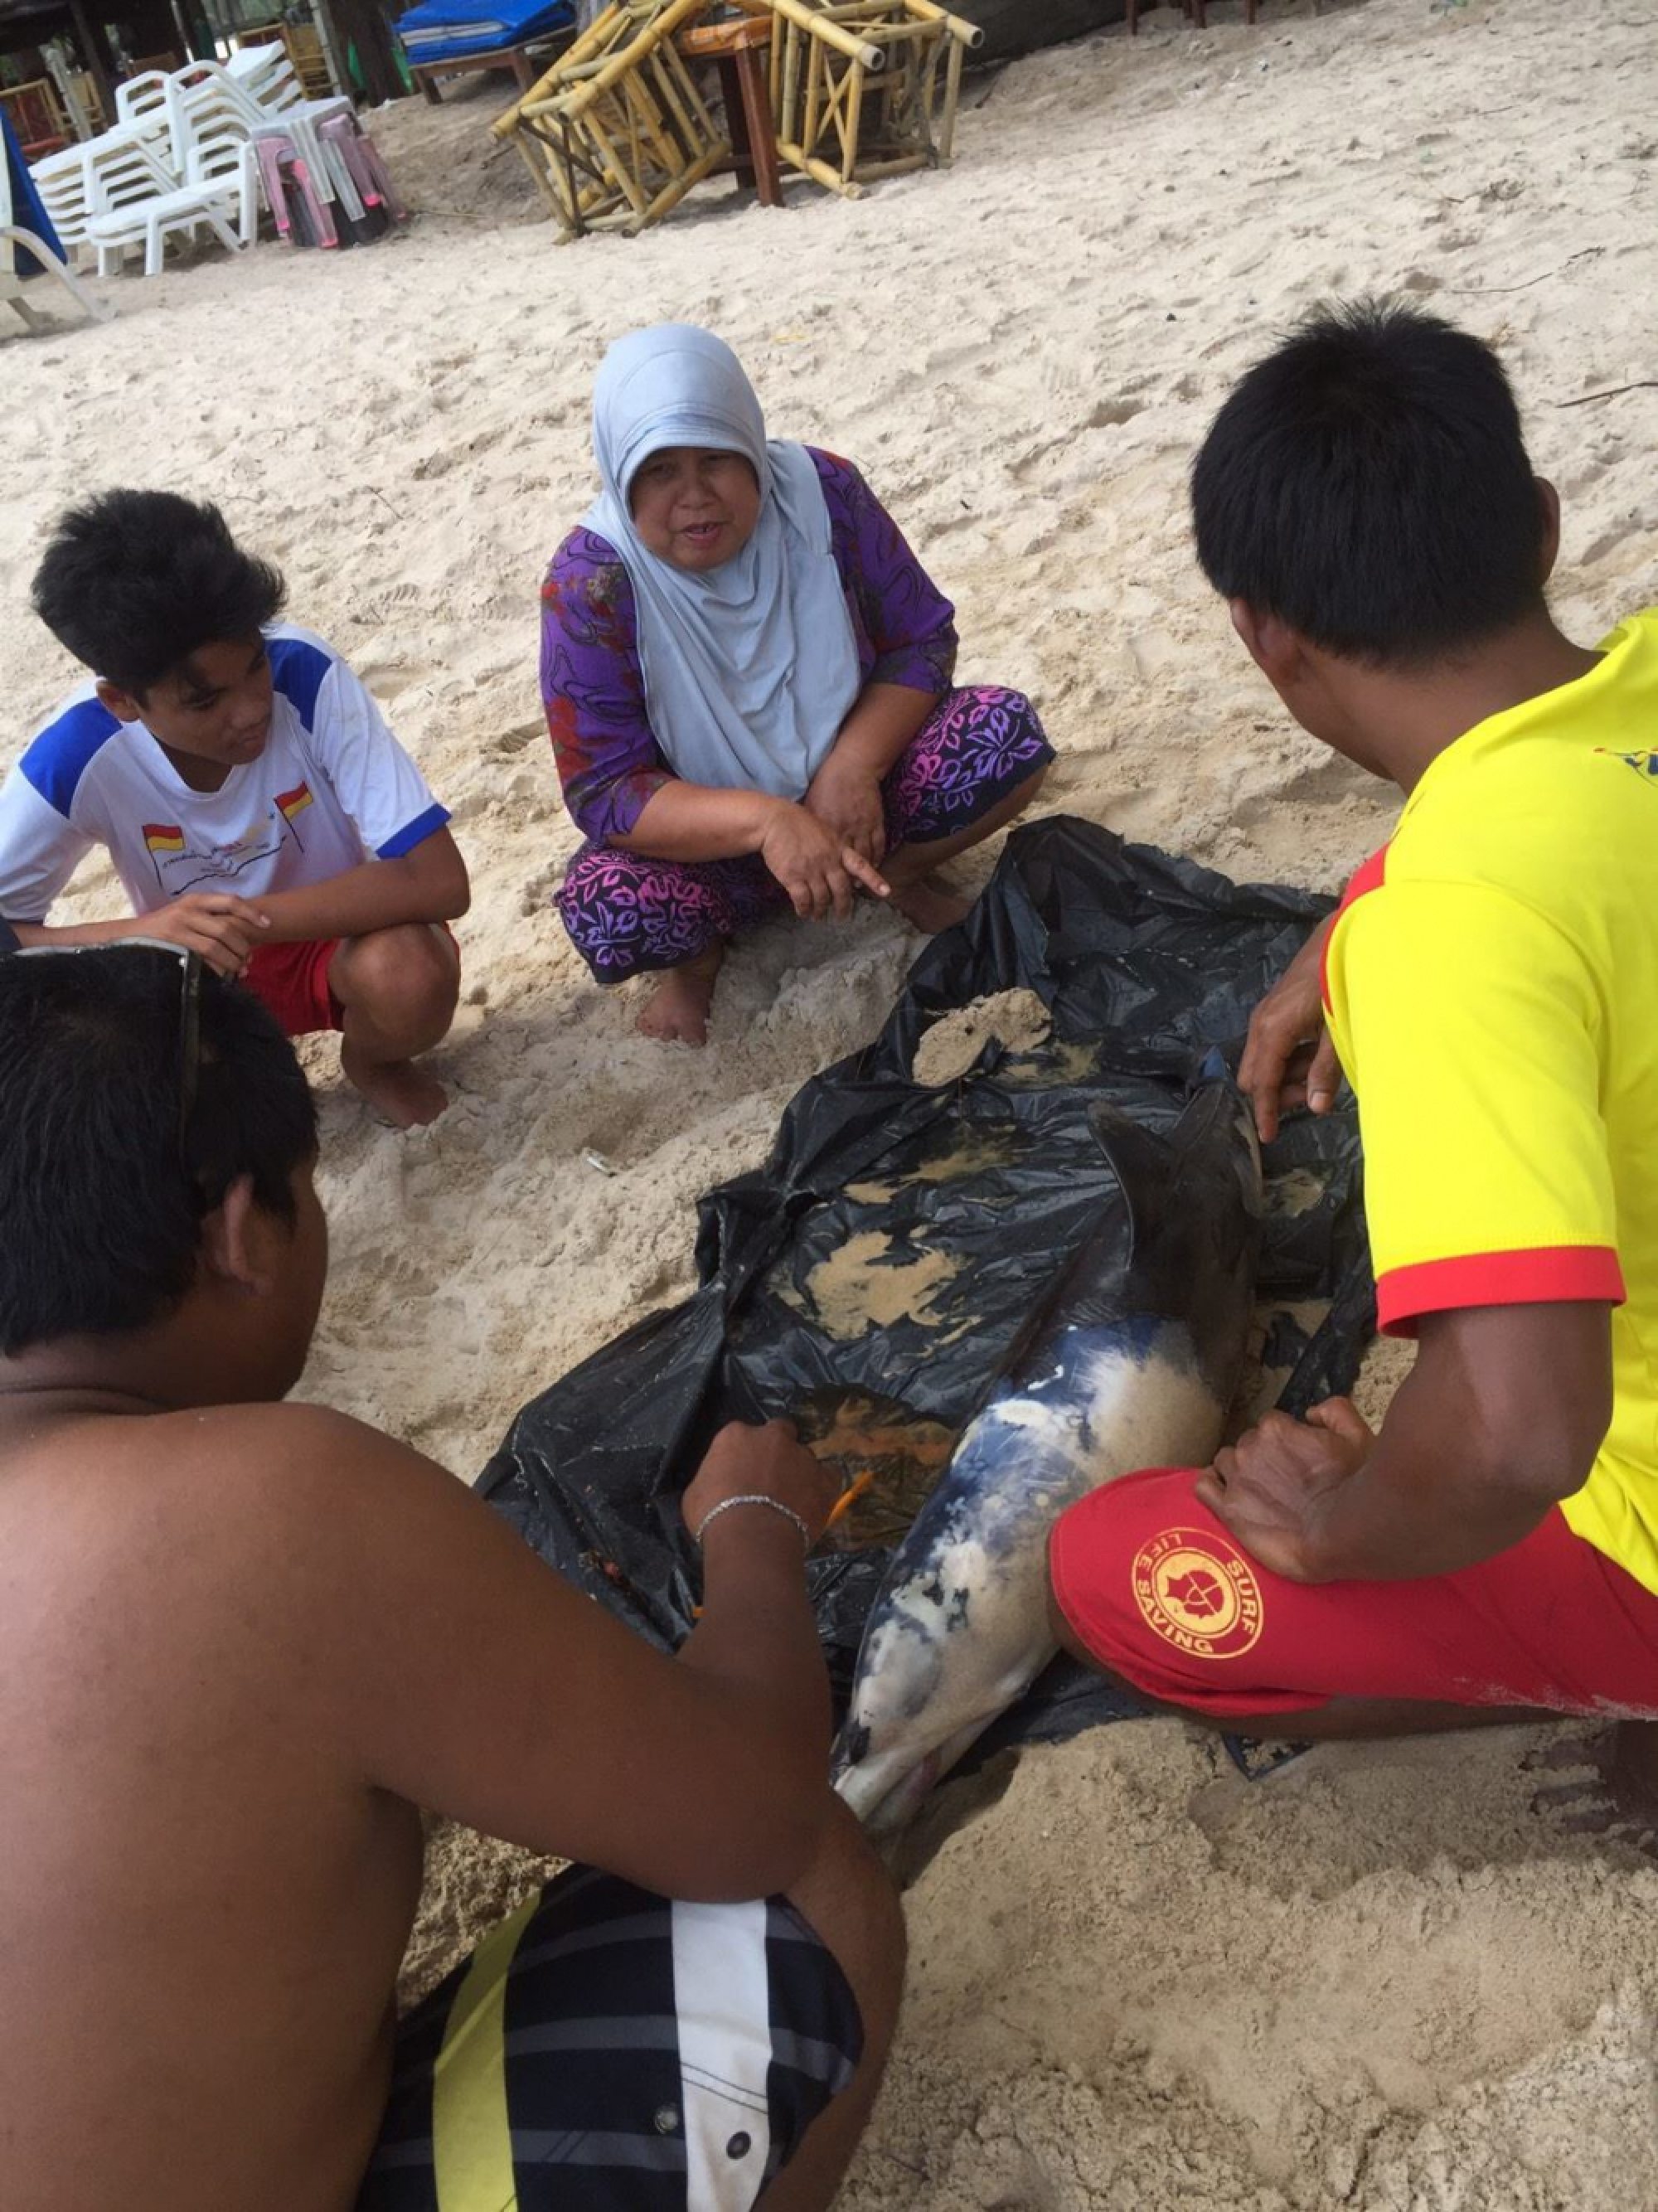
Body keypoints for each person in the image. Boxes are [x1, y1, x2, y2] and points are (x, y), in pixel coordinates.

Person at [0, 941, 903, 2212]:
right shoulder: (272, 1508)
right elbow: (750, 1812)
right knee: (809, 1893)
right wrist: (754, 1527)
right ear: (242, 1233)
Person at [1044, 302, 1658, 1827]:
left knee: (1116, 1577)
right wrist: (1350, 925)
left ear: (1264, 635)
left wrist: (1343, 1527)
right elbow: (1546, 798)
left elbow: (1525, 1426)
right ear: (1541, 524)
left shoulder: (1461, 924)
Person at [541, 323, 1054, 1045]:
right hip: (716, 853)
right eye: (659, 471)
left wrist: (853, 766)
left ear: (753, 449)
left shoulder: (825, 492)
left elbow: (922, 640)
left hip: (861, 807)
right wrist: (768, 822)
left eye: (716, 458)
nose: (693, 498)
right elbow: (604, 787)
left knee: (1000, 734)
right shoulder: (590, 582)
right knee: (607, 906)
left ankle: (898, 876)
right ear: (620, 472)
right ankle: (698, 963)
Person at [0, 491, 468, 1128]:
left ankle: (374, 1061)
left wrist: (241, 920)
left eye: (255, 665)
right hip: (191, 974)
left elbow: (439, 879)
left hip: (335, 939)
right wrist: (141, 935)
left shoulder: (303, 671)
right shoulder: (77, 753)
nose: (251, 708)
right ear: (122, 702)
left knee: (409, 974)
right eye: (204, 701)